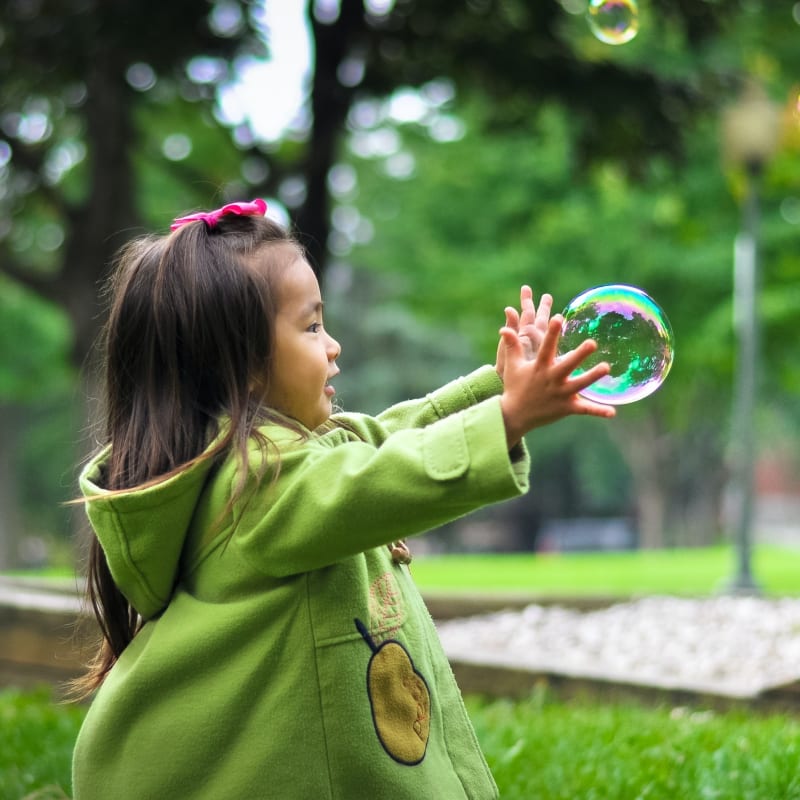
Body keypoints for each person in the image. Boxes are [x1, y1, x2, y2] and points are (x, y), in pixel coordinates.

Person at [70, 198, 615, 800]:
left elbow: (381, 438)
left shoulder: (274, 461)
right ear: (244, 366)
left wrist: (496, 390)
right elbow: (375, 479)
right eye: (311, 326)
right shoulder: (254, 487)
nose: (333, 347)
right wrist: (507, 418)